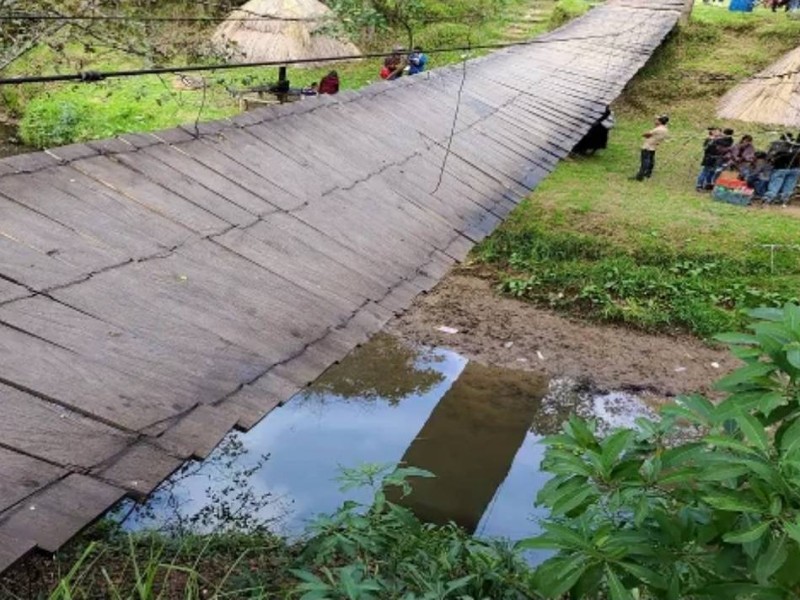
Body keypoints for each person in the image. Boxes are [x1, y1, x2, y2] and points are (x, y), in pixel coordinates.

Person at [764, 134, 800, 206]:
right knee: (789, 186)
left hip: (781, 168)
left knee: (775, 185)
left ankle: (768, 199)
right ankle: (784, 201)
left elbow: (770, 157)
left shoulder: (779, 145)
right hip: (795, 169)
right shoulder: (797, 148)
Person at [632, 115, 669, 181]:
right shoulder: (665, 129)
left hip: (647, 146)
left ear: (660, 121)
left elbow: (646, 134)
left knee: (645, 162)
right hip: (654, 147)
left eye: (657, 120)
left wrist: (644, 134)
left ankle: (640, 176)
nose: (655, 121)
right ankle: (648, 174)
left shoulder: (657, 129)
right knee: (651, 161)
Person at [696, 127, 722, 191]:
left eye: (719, 131)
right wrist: (711, 141)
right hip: (709, 157)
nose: (718, 133)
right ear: (712, 132)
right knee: (705, 171)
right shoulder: (709, 139)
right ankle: (699, 185)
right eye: (716, 131)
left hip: (716, 158)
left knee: (712, 172)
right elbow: (706, 148)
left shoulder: (719, 140)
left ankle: (709, 184)